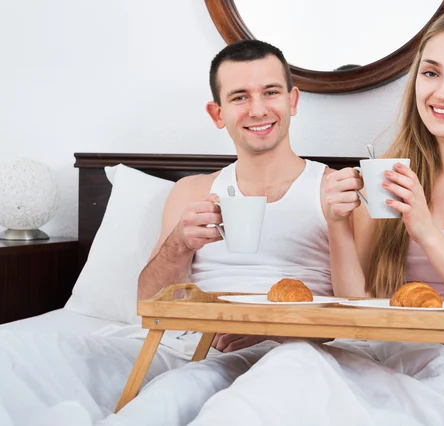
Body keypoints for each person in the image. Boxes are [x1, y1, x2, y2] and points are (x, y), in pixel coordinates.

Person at [188, 11, 444, 426]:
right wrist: (338, 225)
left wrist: (426, 232)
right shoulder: (385, 174)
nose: (443, 92)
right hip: (386, 352)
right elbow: (354, 303)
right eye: (431, 73)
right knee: (287, 367)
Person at [95, 39, 336, 425]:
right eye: (240, 97)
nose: (258, 109)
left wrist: (264, 329)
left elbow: (362, 304)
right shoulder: (191, 192)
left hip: (291, 350)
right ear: (217, 112)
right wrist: (178, 244)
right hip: (189, 345)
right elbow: (148, 304)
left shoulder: (334, 189)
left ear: (292, 100)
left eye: (270, 92)